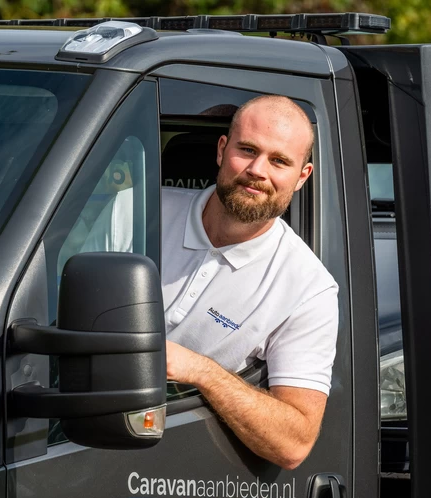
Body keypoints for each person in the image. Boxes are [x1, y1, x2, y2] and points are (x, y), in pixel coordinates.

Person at [83, 95, 339, 470]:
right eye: (247, 150)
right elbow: (67, 325)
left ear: (302, 176)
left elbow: (294, 443)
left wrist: (201, 371)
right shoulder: (131, 210)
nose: (257, 170)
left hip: (177, 468)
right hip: (74, 432)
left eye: (279, 160)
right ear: (222, 149)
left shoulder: (307, 288)